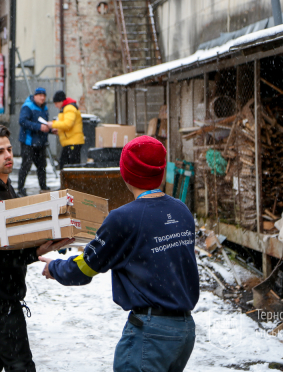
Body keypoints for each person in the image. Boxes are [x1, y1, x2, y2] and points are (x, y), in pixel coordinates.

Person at [40, 136, 200, 372]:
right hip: (184, 332)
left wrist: (55, 267)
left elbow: (85, 269)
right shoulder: (181, 210)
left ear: (125, 173)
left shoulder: (124, 218)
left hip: (150, 334)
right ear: (161, 171)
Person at [0, 125, 72, 372]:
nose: (8, 155)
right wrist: (34, 251)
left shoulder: (2, 187)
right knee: (20, 365)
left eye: (9, 149)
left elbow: (13, 238)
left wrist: (46, 238)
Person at [17, 87, 51, 196]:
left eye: (44, 95)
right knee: (26, 165)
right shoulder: (28, 106)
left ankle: (43, 187)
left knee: (42, 166)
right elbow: (22, 121)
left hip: (40, 143)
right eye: (40, 95)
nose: (42, 97)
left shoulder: (44, 108)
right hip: (29, 142)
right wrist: (38, 127)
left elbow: (44, 125)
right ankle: (20, 188)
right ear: (34, 96)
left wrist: (50, 129)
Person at [47, 91, 85, 169]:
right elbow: (67, 126)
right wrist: (59, 130)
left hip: (73, 142)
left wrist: (53, 124)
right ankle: (70, 181)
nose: (55, 106)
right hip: (70, 142)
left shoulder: (69, 108)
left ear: (60, 101)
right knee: (66, 166)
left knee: (70, 167)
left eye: (56, 103)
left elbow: (68, 124)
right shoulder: (66, 108)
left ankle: (73, 181)